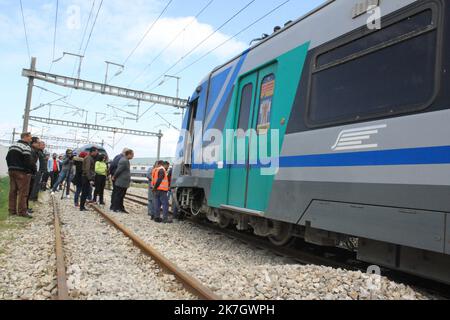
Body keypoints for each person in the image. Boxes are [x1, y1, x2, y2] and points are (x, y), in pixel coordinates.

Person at [6, 132, 35, 218]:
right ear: (25, 137)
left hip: (11, 170)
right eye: (30, 137)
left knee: (13, 191)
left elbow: (7, 158)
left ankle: (12, 210)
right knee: (23, 192)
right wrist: (28, 171)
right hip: (22, 172)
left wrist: (10, 167)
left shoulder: (13, 145)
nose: (31, 139)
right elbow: (27, 160)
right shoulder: (26, 147)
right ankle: (22, 212)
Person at [80, 147, 99, 212]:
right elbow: (87, 169)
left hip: (86, 177)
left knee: (85, 192)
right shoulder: (88, 158)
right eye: (96, 152)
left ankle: (82, 206)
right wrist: (90, 179)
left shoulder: (89, 157)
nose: (97, 153)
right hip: (86, 177)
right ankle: (82, 207)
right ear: (92, 152)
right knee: (84, 192)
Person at [27, 137, 41, 211]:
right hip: (30, 173)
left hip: (32, 172)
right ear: (33, 143)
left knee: (29, 191)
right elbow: (32, 162)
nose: (39, 144)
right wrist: (35, 171)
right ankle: (25, 208)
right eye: (38, 142)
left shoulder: (35, 150)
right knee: (27, 191)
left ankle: (26, 208)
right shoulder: (32, 151)